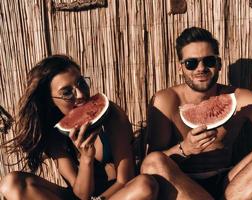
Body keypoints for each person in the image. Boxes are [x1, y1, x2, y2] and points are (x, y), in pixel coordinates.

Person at [141, 27, 252, 200]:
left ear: (219, 64)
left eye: (208, 61)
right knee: (153, 161)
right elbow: (151, 164)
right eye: (191, 63)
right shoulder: (165, 100)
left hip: (229, 186)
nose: (201, 68)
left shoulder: (241, 99)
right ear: (181, 69)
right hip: (181, 185)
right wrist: (185, 148)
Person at [0, 55, 158, 200]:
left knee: (145, 185)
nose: (81, 94)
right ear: (50, 101)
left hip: (115, 195)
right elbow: (81, 194)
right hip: (79, 195)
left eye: (81, 83)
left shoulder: (112, 115)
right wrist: (86, 159)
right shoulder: (54, 132)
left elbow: (125, 180)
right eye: (67, 92)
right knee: (12, 183)